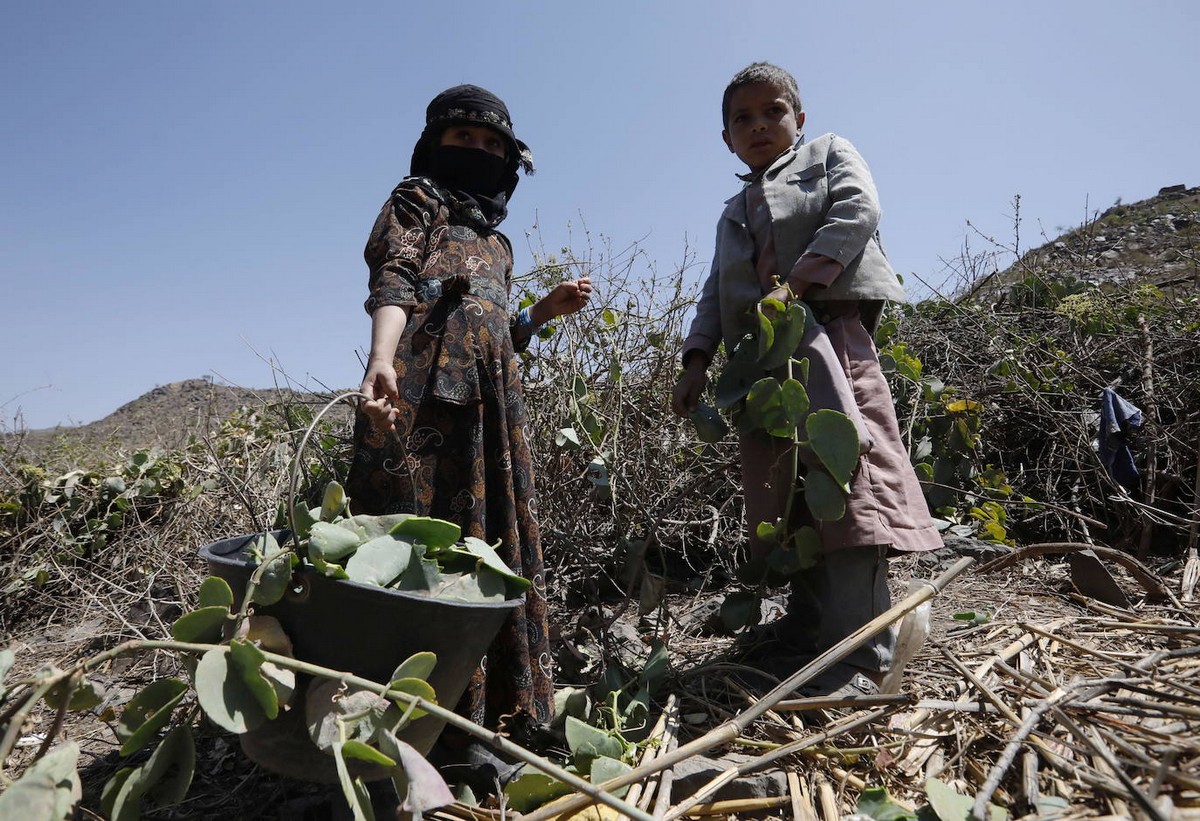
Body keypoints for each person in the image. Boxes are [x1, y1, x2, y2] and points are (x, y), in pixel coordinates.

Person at [671, 62, 942, 698]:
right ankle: (810, 628)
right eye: (743, 118)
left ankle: (861, 652)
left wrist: (796, 285)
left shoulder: (828, 154)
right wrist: (695, 360)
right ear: (726, 138)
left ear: (799, 120)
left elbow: (858, 210)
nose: (759, 124)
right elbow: (717, 291)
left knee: (847, 480)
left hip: (826, 336)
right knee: (786, 496)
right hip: (761, 366)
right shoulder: (733, 211)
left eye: (773, 112)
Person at [344, 84, 592, 735]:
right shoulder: (417, 199)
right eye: (464, 139)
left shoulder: (499, 245)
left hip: (489, 417)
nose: (478, 151)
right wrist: (380, 358)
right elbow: (394, 278)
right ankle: (396, 723)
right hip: (417, 397)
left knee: (489, 551)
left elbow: (498, 333)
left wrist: (543, 311)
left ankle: (488, 723)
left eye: (492, 145)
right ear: (434, 146)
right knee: (410, 541)